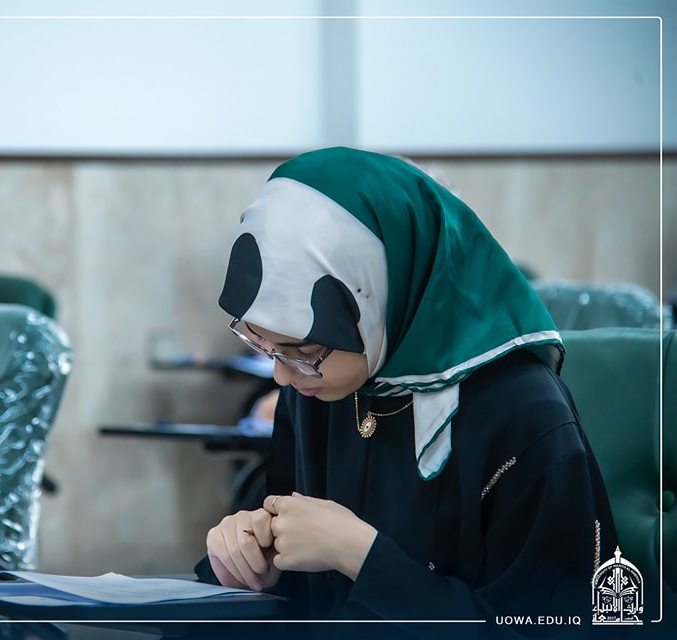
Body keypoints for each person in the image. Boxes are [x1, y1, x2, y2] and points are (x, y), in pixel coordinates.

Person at [196, 147, 618, 639]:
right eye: (261, 345)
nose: (282, 378)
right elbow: (309, 600)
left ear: (381, 298)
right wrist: (249, 556)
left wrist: (361, 555)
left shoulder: (524, 415)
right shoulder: (322, 385)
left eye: (302, 351)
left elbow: (555, 627)